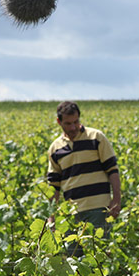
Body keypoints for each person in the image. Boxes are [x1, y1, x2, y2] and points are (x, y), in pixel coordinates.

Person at [47, 101, 122, 257]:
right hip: (70, 213)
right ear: (59, 122)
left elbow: (112, 170)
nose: (73, 127)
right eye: (68, 123)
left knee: (98, 259)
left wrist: (116, 199)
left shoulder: (96, 137)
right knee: (74, 263)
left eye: (76, 122)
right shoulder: (55, 148)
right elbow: (54, 186)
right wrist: (51, 217)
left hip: (99, 208)